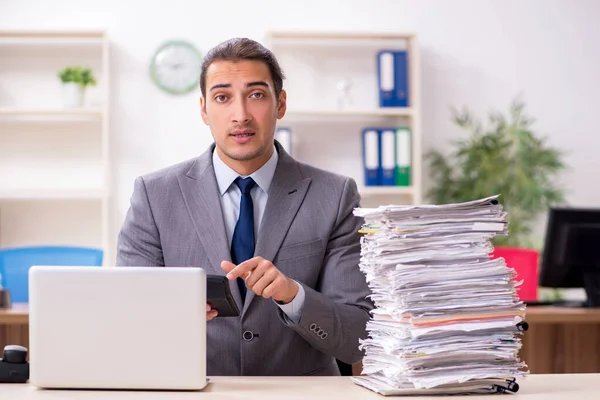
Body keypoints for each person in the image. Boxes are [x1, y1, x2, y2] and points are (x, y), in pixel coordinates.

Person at [116, 37, 374, 376]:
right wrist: (170, 313)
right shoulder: (154, 195)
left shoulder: (335, 195)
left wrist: (293, 296)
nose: (240, 115)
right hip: (192, 390)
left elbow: (358, 338)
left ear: (280, 104)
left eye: (256, 95)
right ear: (204, 110)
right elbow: (124, 321)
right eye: (222, 97)